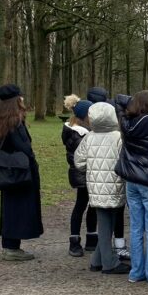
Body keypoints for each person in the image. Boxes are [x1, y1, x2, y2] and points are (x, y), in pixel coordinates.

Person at [74, 101, 130, 275]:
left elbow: (79, 162)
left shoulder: (89, 137)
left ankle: (97, 260)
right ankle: (109, 263)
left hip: (96, 187)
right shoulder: (119, 137)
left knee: (106, 222)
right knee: (108, 223)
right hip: (116, 185)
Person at [116, 91, 148, 284]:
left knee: (136, 227)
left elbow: (118, 101)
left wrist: (131, 102)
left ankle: (136, 272)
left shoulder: (127, 125)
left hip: (132, 181)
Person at [0, 84, 43, 261]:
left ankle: (10, 245)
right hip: (19, 170)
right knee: (18, 207)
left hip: (8, 169)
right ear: (16, 100)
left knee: (10, 206)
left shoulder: (0, 117)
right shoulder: (14, 121)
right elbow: (25, 147)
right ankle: (12, 247)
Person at [62, 98, 97, 256]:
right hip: (83, 173)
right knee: (82, 205)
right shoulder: (79, 134)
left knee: (91, 206)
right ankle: (74, 241)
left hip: (82, 172)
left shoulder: (75, 131)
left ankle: (91, 237)